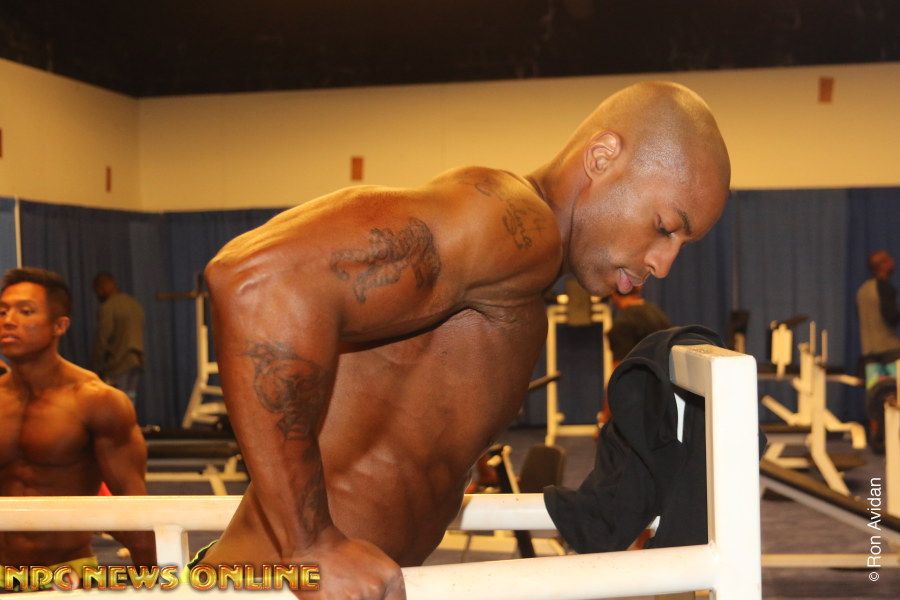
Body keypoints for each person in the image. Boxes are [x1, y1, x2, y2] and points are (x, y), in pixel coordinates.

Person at [203, 81, 731, 598]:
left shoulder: (518, 281)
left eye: (683, 244)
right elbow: (258, 284)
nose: (664, 263)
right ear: (602, 157)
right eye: (665, 226)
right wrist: (309, 545)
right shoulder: (512, 222)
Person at [0, 268, 155, 586]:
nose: (9, 320)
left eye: (26, 311)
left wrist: (153, 586)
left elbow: (134, 508)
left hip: (67, 576)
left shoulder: (97, 401)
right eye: (3, 311)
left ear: (60, 325)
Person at [598, 287, 672, 427]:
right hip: (665, 401)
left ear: (613, 294)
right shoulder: (658, 315)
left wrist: (604, 420)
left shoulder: (622, 324)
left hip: (638, 407)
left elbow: (618, 376)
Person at [856, 250, 900, 453]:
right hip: (891, 352)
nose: (893, 262)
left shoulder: (862, 291)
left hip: (869, 353)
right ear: (882, 265)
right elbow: (890, 317)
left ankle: (877, 441)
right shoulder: (886, 288)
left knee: (874, 398)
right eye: (889, 259)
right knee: (897, 396)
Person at [91, 272, 144, 404]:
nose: (98, 294)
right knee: (129, 403)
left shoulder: (108, 307)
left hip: (117, 365)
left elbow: (102, 340)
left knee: (115, 405)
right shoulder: (134, 304)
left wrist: (94, 368)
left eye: (98, 290)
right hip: (136, 362)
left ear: (103, 287)